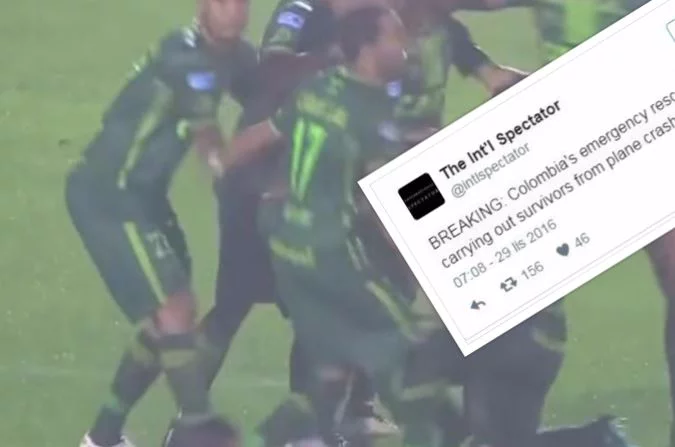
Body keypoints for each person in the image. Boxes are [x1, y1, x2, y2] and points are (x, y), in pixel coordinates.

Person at [196, 0, 401, 441]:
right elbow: (271, 72)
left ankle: (315, 430)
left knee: (318, 325)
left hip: (302, 199)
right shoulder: (302, 11)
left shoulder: (353, 62)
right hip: (260, 191)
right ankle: (191, 415)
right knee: (233, 305)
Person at [66, 1, 255, 446]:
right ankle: (199, 428)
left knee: (170, 318)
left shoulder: (236, 55)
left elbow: (265, 85)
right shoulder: (184, 58)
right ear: (203, 6)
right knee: (173, 311)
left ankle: (103, 437)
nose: (234, 12)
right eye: (224, 2)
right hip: (109, 194)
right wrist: (253, 147)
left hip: (145, 198)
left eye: (242, 2)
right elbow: (210, 145)